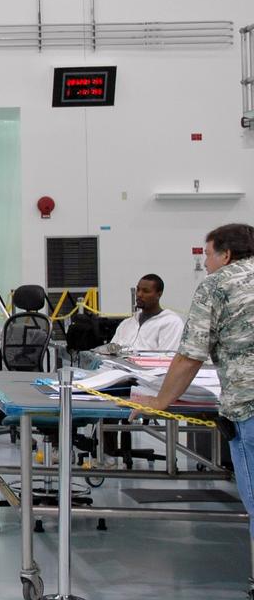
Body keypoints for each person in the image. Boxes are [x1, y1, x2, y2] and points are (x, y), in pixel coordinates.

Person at [134, 224, 254, 538]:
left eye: (207, 256)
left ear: (226, 254)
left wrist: (160, 402)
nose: (205, 264)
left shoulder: (217, 285)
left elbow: (190, 356)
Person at [107, 274, 184, 353]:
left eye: (146, 291)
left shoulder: (171, 323)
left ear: (159, 295)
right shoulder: (126, 324)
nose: (139, 294)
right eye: (138, 289)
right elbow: (110, 353)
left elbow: (165, 359)